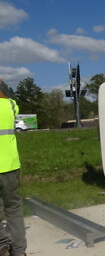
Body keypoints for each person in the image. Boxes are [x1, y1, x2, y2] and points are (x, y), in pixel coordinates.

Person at [0, 80, 27, 256]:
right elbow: (12, 104)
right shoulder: (9, 105)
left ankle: (2, 246)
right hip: (9, 166)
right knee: (14, 209)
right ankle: (18, 250)